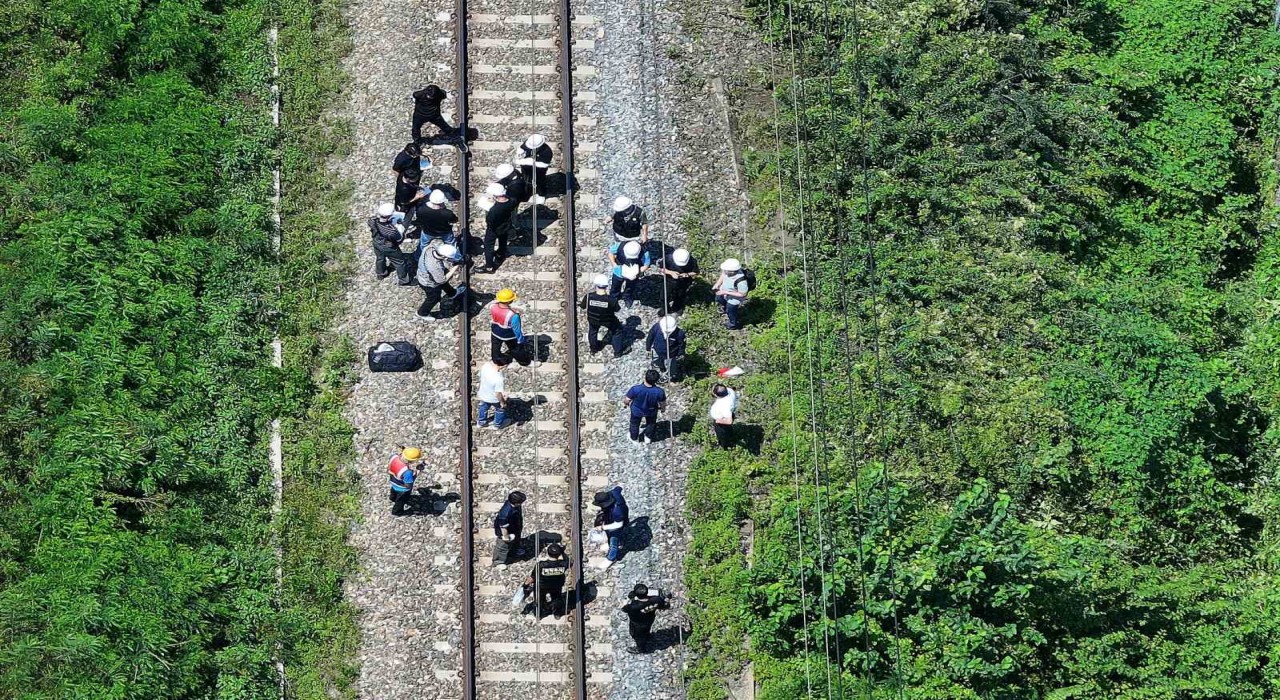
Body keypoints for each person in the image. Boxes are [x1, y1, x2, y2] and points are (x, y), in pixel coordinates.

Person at [415, 241, 466, 320]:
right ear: (445, 257)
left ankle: (452, 293)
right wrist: (455, 267)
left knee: (444, 281)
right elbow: (442, 280)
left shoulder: (430, 248)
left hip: (423, 273)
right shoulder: (435, 266)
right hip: (428, 283)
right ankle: (422, 313)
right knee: (434, 298)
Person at [368, 202, 412, 285]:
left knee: (380, 258)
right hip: (389, 247)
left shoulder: (372, 220)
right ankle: (404, 280)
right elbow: (399, 239)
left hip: (376, 242)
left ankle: (381, 273)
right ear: (389, 216)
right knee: (399, 262)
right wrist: (400, 228)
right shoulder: (392, 230)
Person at [522, 543, 570, 618]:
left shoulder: (541, 565)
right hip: (556, 585)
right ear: (559, 554)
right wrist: (562, 552)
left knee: (539, 600)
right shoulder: (564, 564)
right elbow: (569, 561)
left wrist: (525, 584)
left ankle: (539, 614)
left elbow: (533, 577)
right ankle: (557, 613)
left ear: (548, 553)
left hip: (541, 586)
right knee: (556, 598)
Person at [580, 274, 624, 357]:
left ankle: (593, 349)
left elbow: (582, 306)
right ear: (606, 286)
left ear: (596, 285)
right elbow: (617, 309)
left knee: (593, 332)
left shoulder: (589, 296)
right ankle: (618, 352)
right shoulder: (611, 300)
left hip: (593, 319)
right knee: (617, 331)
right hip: (608, 320)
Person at [479, 183, 518, 273]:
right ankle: (500, 254)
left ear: (495, 195)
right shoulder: (512, 201)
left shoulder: (494, 210)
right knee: (503, 241)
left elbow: (490, 222)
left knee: (488, 246)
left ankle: (489, 267)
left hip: (494, 229)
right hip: (506, 226)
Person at [622, 583, 670, 653]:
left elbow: (624, 609)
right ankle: (647, 636)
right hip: (649, 619)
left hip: (637, 623)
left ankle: (640, 649)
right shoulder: (656, 599)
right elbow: (664, 605)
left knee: (637, 636)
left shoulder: (634, 606)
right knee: (646, 630)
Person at [624, 369, 666, 444]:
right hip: (651, 411)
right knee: (651, 424)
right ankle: (648, 438)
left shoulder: (635, 389)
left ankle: (634, 438)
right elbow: (662, 403)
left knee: (634, 424)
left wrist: (626, 404)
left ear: (645, 377)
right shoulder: (659, 391)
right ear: (656, 380)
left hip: (636, 410)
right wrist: (663, 409)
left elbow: (627, 399)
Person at [591, 486, 629, 568]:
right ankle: (612, 543)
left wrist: (602, 527)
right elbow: (619, 488)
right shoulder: (613, 493)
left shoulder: (618, 511)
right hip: (610, 517)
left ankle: (610, 559)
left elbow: (619, 524)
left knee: (614, 540)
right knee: (609, 534)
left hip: (618, 522)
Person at [490, 288, 530, 364]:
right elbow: (516, 330)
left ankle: (496, 360)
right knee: (515, 348)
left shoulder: (492, 306)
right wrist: (520, 339)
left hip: (495, 331)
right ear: (508, 301)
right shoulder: (513, 315)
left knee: (495, 347)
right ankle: (524, 361)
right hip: (508, 335)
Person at [609, 239, 651, 308]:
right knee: (615, 286)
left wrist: (638, 271)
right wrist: (614, 264)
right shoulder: (620, 245)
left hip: (634, 274)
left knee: (630, 287)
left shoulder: (644, 252)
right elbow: (611, 252)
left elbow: (646, 264)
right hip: (618, 272)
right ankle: (614, 298)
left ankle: (627, 296)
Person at [646, 315, 687, 382]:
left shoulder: (679, 334)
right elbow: (650, 337)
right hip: (656, 350)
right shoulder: (656, 327)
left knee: (671, 368)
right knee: (657, 361)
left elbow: (682, 345)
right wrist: (648, 348)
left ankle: (669, 376)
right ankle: (661, 367)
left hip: (671, 355)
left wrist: (680, 354)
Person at [658, 247, 699, 314]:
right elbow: (661, 269)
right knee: (664, 296)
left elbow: (696, 272)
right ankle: (665, 309)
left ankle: (677, 307)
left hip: (684, 282)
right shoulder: (668, 258)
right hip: (669, 280)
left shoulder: (692, 261)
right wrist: (671, 273)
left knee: (680, 296)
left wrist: (687, 274)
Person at [492, 490, 526, 569]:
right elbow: (503, 527)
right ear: (516, 502)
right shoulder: (505, 513)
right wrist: (506, 537)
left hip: (514, 526)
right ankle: (498, 562)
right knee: (503, 546)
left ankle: (514, 551)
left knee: (516, 540)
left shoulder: (515, 506)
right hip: (505, 531)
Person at [387, 447, 425, 516]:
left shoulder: (394, 457)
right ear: (412, 461)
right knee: (401, 501)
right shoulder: (407, 472)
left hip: (393, 481)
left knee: (394, 491)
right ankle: (397, 512)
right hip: (402, 489)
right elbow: (408, 485)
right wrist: (417, 472)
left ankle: (392, 498)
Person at [713, 258, 750, 330]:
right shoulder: (727, 271)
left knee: (731, 310)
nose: (724, 271)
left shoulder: (741, 281)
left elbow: (743, 294)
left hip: (734, 299)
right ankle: (724, 308)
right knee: (718, 298)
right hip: (724, 292)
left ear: (732, 272)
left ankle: (733, 324)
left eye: (726, 270)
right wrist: (718, 284)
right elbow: (723, 275)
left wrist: (726, 292)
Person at [476, 356, 511, 429]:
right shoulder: (498, 378)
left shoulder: (486, 366)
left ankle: (481, 422)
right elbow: (497, 393)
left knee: (483, 407)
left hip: (483, 394)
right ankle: (497, 424)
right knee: (500, 409)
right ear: (503, 366)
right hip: (493, 399)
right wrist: (502, 402)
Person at [709, 383, 738, 448]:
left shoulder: (724, 405)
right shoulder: (730, 391)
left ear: (717, 396)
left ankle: (725, 446)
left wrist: (718, 421)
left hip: (723, 419)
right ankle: (731, 435)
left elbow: (729, 421)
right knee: (729, 429)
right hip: (730, 413)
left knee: (722, 435)